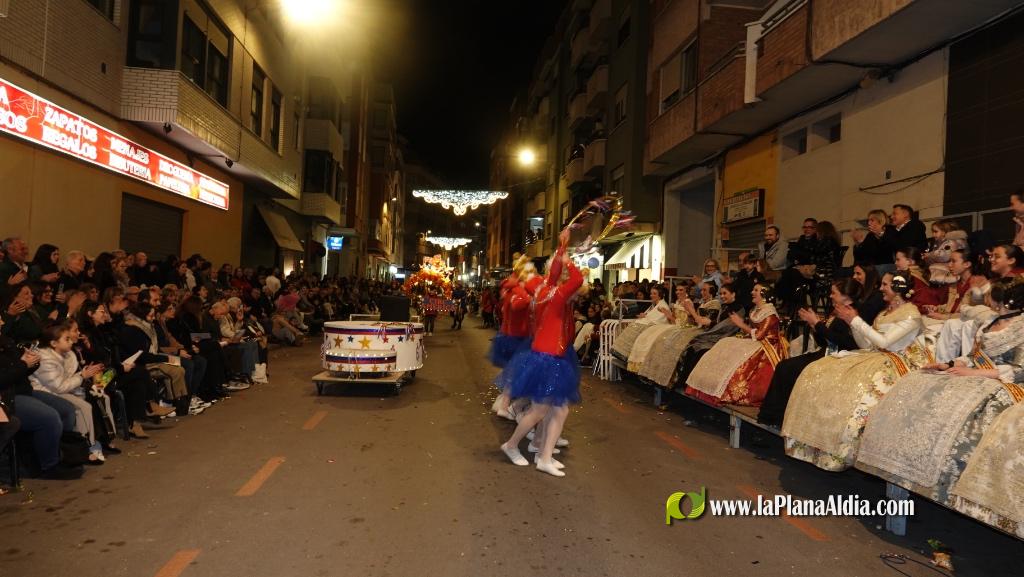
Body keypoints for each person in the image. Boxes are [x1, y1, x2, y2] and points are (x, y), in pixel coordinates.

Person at [857, 280, 1024, 507]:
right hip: (976, 374)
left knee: (968, 409)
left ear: (1006, 300)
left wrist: (979, 374)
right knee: (921, 383)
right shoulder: (992, 321)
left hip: (1004, 382)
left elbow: (1020, 370)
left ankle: (950, 477)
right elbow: (975, 357)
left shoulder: (1021, 326)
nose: (989, 301)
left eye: (994, 297)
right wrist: (949, 364)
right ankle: (905, 461)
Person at [781, 273, 928, 471]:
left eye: (885, 285)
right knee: (820, 369)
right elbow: (866, 343)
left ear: (898, 290)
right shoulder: (885, 313)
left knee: (854, 388)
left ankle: (842, 448)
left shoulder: (911, 314)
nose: (881, 288)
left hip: (896, 361)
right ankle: (816, 440)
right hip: (874, 356)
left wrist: (855, 320)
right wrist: (853, 322)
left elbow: (885, 343)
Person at [500, 235, 583, 477]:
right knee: (541, 410)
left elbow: (554, 274)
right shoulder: (557, 296)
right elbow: (576, 279)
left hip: (545, 356)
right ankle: (513, 445)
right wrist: (567, 260)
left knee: (556, 410)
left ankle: (542, 454)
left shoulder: (542, 289)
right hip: (548, 358)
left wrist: (563, 246)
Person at [758, 279, 864, 428]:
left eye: (834, 293)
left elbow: (845, 342)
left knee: (788, 368)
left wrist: (818, 324)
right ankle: (776, 416)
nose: (831, 296)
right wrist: (814, 325)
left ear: (845, 296)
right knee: (785, 366)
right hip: (827, 353)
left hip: (840, 358)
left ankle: (778, 417)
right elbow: (824, 341)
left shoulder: (852, 313)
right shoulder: (837, 311)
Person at [0, 315, 82, 479]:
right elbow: (5, 377)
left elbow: (18, 369)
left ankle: (63, 454)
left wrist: (31, 362)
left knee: (66, 409)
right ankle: (49, 465)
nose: (2, 321)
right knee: (49, 418)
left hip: (23, 388)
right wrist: (23, 364)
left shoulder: (5, 340)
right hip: (8, 395)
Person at [685, 283, 786, 406]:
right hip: (754, 341)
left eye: (756, 290)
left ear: (764, 293)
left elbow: (760, 335)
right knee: (725, 344)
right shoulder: (757, 310)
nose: (752, 292)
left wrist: (740, 324)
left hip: (767, 347)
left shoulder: (769, 313)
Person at [29, 322, 106, 464]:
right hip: (43, 392)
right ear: (53, 343)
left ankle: (87, 444)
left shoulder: (68, 354)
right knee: (79, 407)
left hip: (61, 390)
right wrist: (82, 376)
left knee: (90, 402)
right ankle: (78, 447)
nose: (71, 341)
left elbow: (66, 381)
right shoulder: (45, 359)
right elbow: (58, 387)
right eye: (67, 339)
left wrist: (82, 377)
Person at [675, 282, 747, 387]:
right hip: (716, 334)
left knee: (700, 350)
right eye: (721, 293)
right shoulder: (724, 306)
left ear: (733, 294)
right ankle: (683, 382)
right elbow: (716, 324)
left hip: (726, 337)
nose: (722, 296)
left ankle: (692, 384)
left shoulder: (738, 308)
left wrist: (693, 312)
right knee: (692, 348)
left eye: (725, 293)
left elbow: (726, 327)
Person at [923, 219, 969, 285]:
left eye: (935, 232)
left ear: (944, 232)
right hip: (946, 276)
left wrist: (929, 255)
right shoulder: (945, 242)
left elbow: (944, 256)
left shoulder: (952, 242)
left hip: (949, 275)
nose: (933, 235)